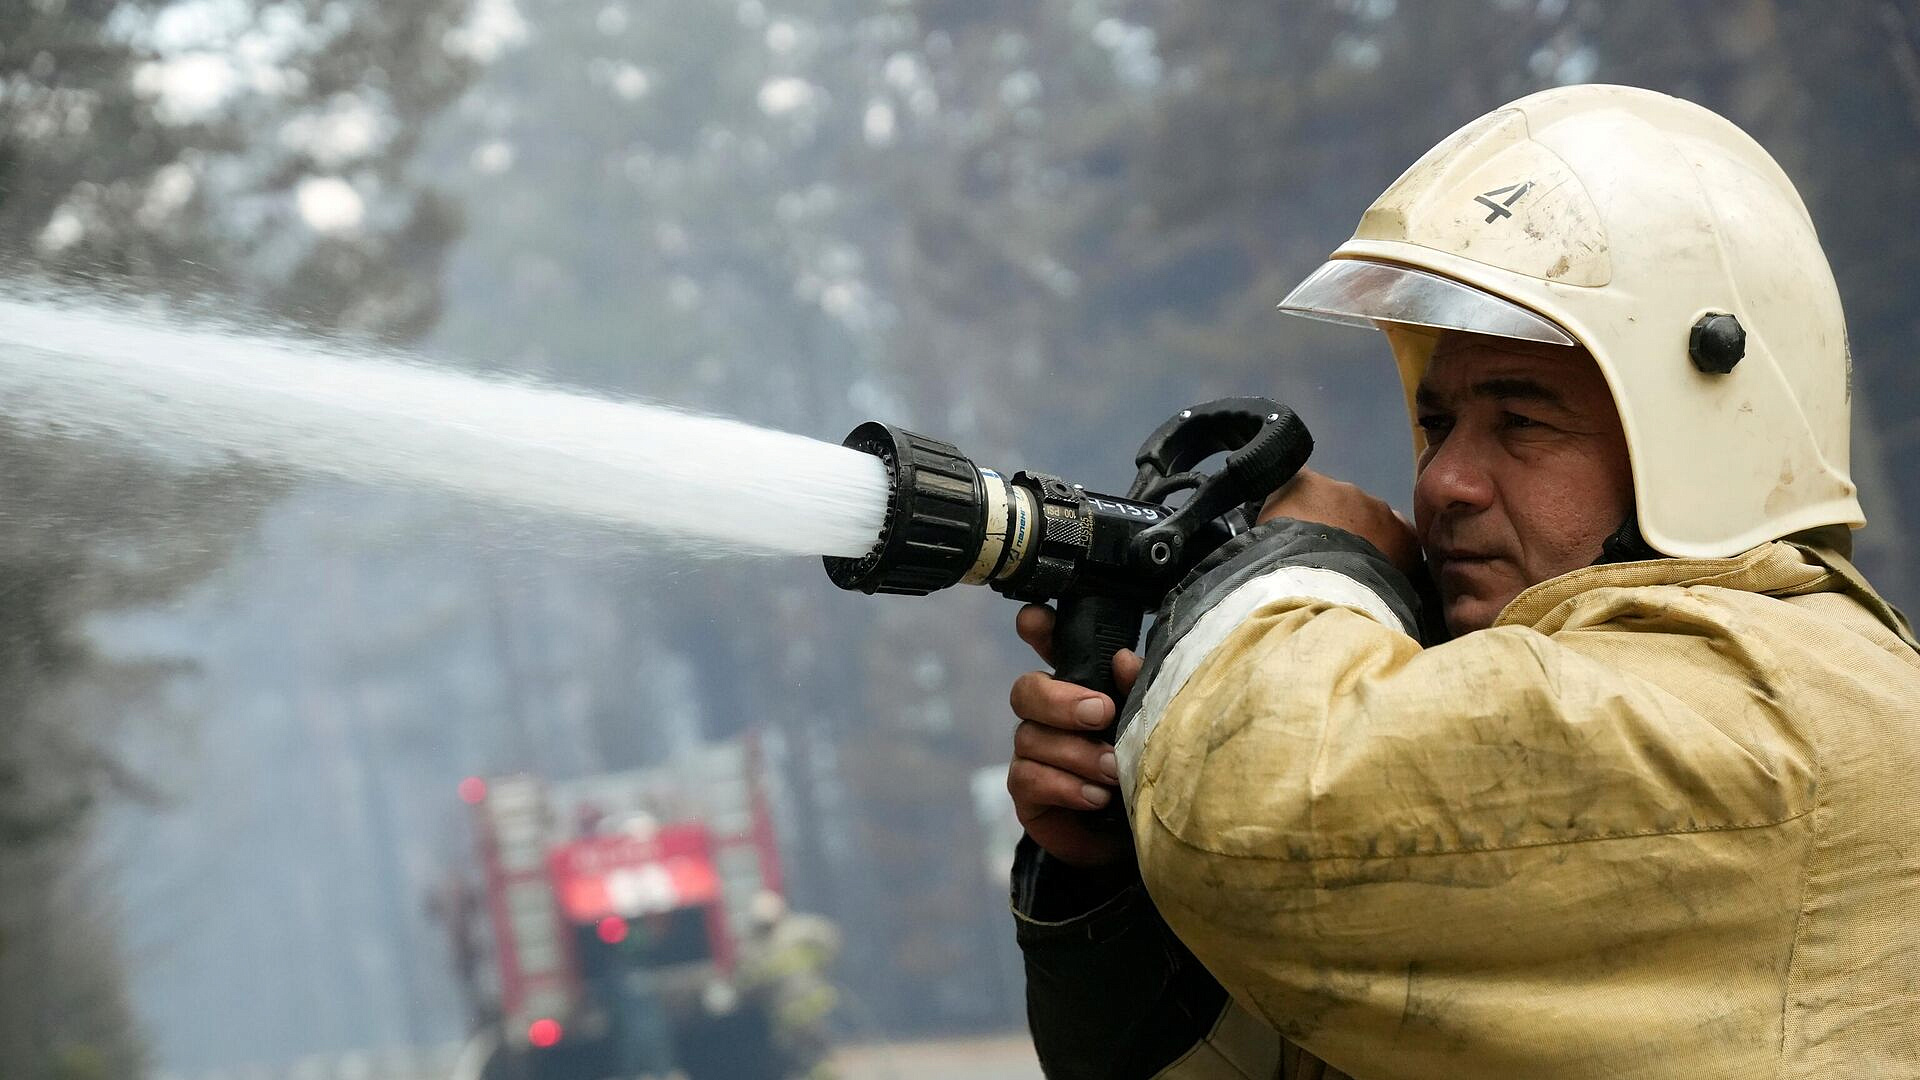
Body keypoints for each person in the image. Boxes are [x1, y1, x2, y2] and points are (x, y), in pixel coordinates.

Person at [1004, 84, 1920, 1079]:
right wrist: (1118, 882)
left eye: (1520, 420)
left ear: (1704, 430)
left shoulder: (1772, 695)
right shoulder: (1573, 699)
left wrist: (1303, 564)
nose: (1442, 480)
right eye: (1439, 424)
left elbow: (1261, 828)